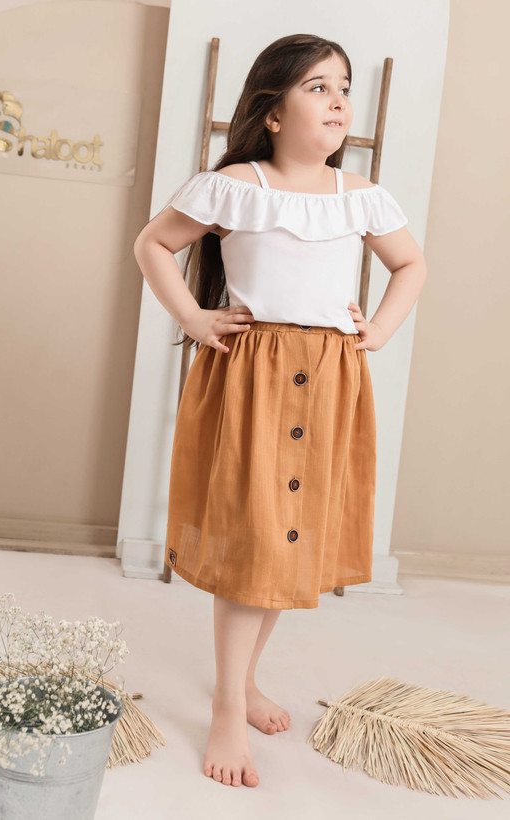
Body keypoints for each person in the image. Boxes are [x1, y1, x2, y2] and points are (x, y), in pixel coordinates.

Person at [133, 33, 427, 789]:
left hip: (327, 379)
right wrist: (194, 318)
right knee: (253, 542)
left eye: (344, 87)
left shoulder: (359, 194)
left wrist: (377, 330)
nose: (337, 101)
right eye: (317, 87)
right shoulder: (237, 185)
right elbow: (153, 245)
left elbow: (409, 263)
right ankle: (228, 704)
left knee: (285, 543)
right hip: (255, 378)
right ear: (272, 111)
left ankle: (243, 682)